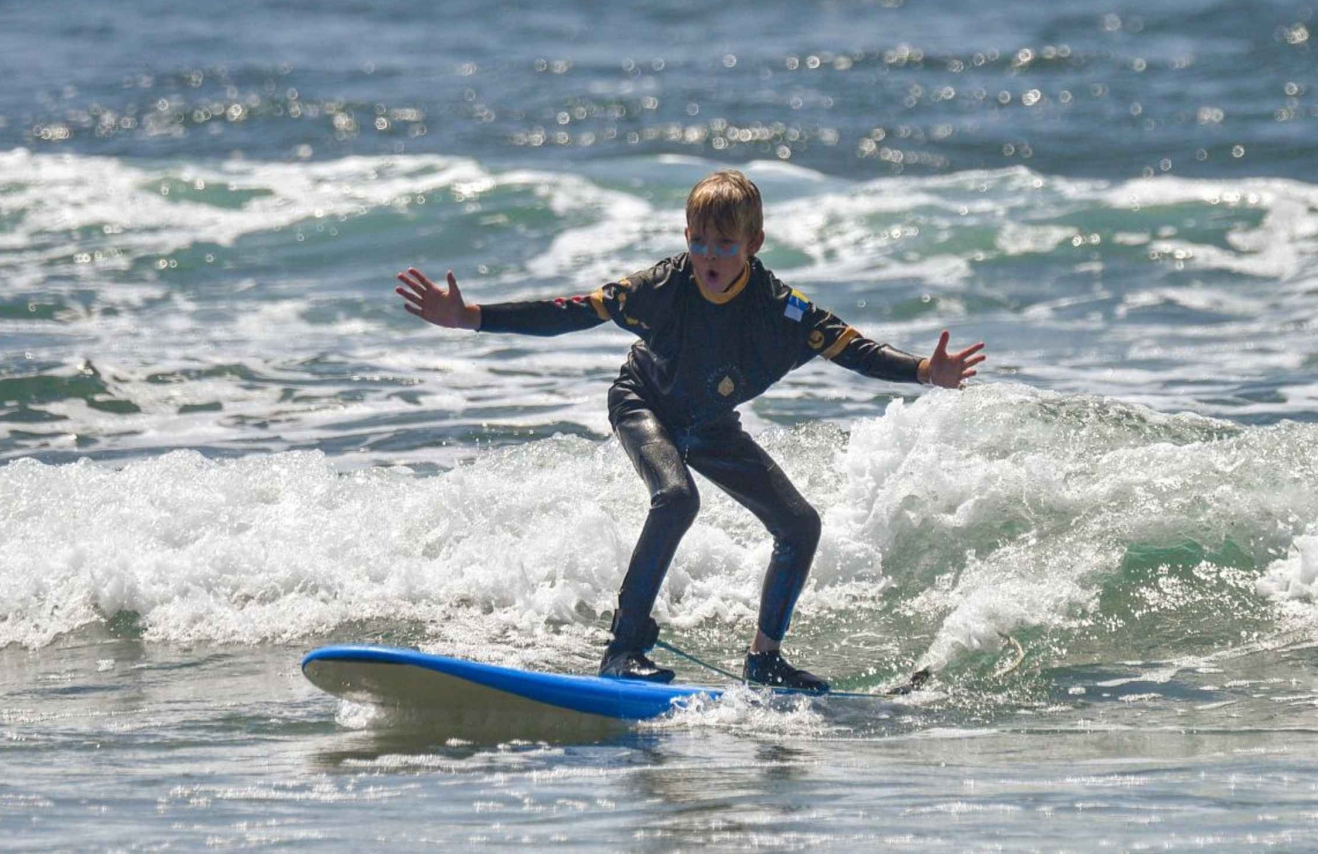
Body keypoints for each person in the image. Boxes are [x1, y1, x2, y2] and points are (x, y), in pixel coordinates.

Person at [395, 170, 985, 692]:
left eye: (725, 243)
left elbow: (852, 347)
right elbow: (570, 312)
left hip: (708, 422)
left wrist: (924, 370)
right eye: (698, 240)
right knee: (677, 498)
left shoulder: (781, 311)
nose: (709, 254)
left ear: (753, 244)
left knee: (799, 524)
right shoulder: (661, 286)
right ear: (686, 238)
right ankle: (623, 649)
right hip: (642, 401)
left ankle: (765, 659)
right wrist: (472, 318)